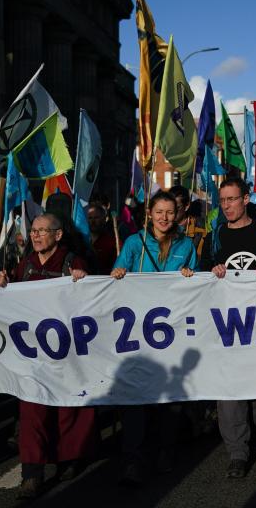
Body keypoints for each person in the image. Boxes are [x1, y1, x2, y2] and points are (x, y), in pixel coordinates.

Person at [0, 213, 94, 499]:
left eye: (42, 231)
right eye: (34, 231)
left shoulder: (71, 263)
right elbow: (5, 301)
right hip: (32, 351)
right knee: (32, 410)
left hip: (65, 350)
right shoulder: (23, 265)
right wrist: (0, 285)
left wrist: (81, 281)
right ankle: (32, 473)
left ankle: (69, 459)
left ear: (58, 235)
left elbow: (87, 303)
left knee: (66, 407)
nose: (36, 236)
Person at [110, 192, 198, 484]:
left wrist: (190, 275)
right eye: (159, 212)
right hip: (137, 334)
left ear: (178, 214)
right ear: (149, 212)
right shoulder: (135, 242)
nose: (164, 218)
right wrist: (119, 272)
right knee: (135, 396)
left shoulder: (186, 245)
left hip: (172, 333)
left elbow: (197, 286)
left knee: (168, 395)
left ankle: (165, 450)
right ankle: (132, 458)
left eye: (169, 213)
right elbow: (116, 277)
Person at [200, 177, 256, 479]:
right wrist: (212, 271)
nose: (227, 206)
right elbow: (201, 277)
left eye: (232, 199)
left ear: (246, 199)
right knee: (229, 386)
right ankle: (237, 451)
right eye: (223, 201)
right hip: (227, 324)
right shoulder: (215, 237)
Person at [87, 202, 118, 275]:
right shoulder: (82, 241)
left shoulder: (112, 242)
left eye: (96, 217)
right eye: (90, 218)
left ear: (104, 219)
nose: (93, 221)